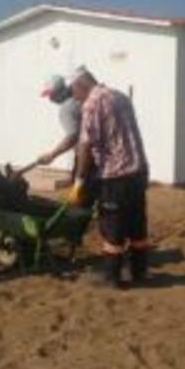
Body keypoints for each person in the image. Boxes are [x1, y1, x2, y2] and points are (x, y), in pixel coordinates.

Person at [67, 66, 149, 288]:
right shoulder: (120, 96)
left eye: (73, 91)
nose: (73, 96)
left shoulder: (92, 104)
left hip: (116, 176)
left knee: (113, 227)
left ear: (80, 84)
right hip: (138, 172)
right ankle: (139, 272)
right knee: (137, 225)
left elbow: (85, 145)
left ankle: (112, 277)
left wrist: (79, 182)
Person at [30, 75, 96, 208]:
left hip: (86, 157)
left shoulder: (67, 108)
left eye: (51, 95)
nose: (50, 99)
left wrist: (52, 154)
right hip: (99, 155)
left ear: (58, 92)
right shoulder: (82, 100)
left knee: (80, 197)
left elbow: (73, 136)